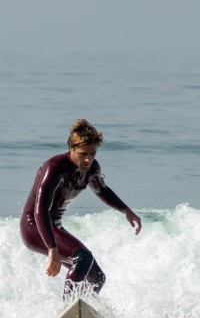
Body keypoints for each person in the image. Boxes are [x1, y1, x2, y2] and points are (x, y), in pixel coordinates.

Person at [21, 118, 141, 298]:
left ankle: (82, 312)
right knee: (82, 257)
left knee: (97, 277)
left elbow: (102, 190)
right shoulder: (53, 168)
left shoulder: (92, 169)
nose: (88, 159)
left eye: (93, 154)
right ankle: (68, 307)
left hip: (55, 227)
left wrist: (126, 210)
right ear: (72, 148)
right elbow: (41, 210)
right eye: (84, 153)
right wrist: (52, 250)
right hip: (35, 227)